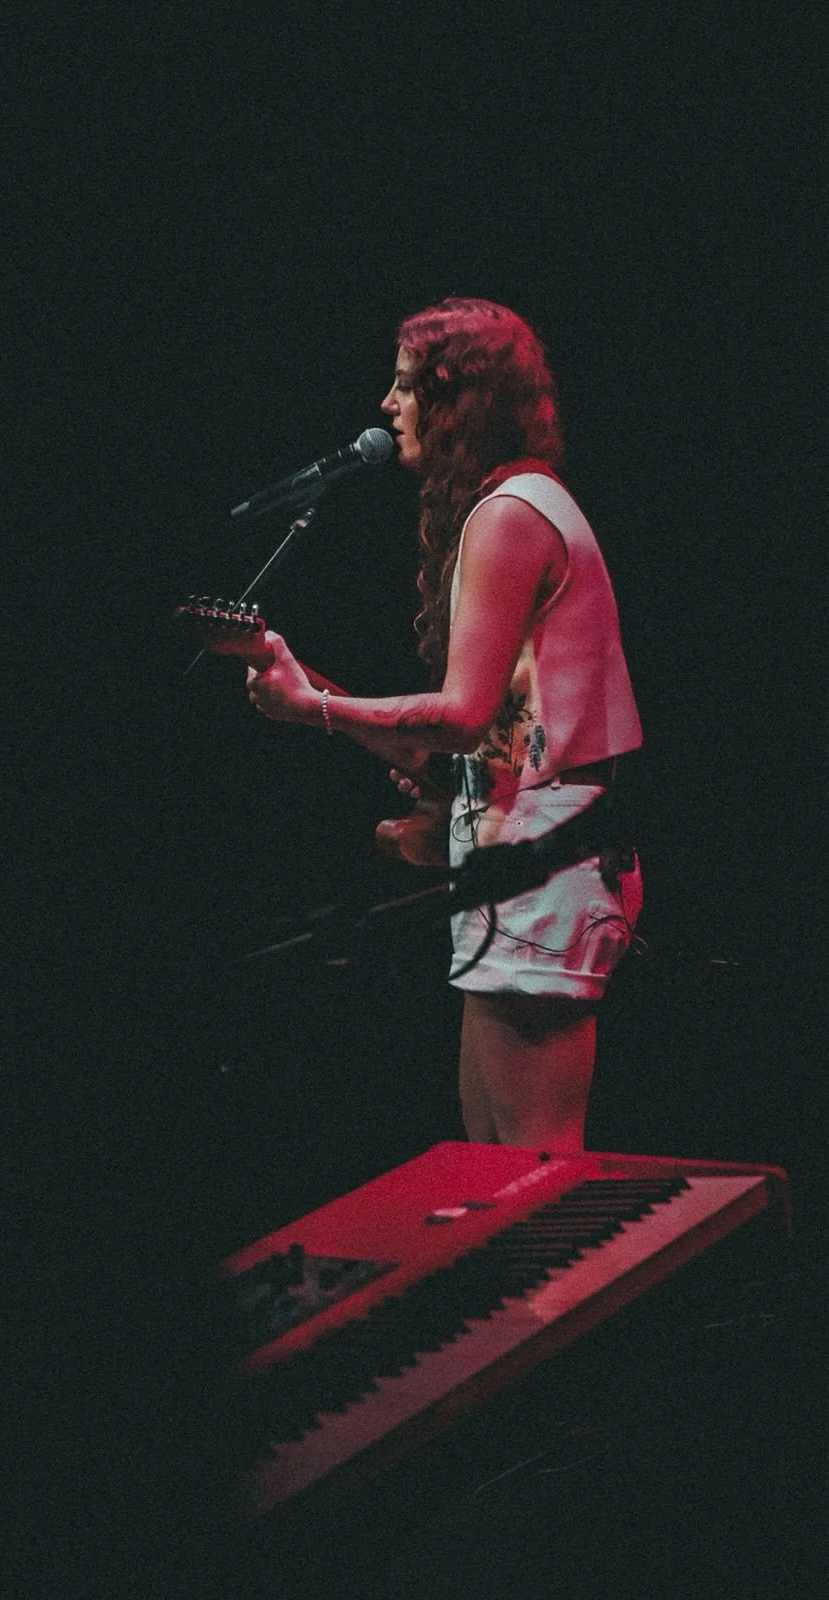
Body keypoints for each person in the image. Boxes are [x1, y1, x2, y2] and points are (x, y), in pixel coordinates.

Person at [245, 297, 643, 1154]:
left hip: (543, 870)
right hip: (520, 868)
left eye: (402, 386)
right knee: (489, 1157)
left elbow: (460, 718)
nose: (386, 408)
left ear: (456, 398)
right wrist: (315, 695)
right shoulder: (516, 506)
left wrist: (313, 706)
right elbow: (479, 740)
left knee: (531, 1169)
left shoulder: (510, 516)